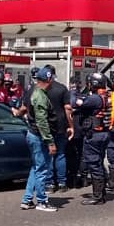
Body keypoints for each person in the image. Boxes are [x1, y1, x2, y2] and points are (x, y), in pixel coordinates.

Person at [20, 67, 58, 212]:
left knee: (36, 168)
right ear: (48, 80)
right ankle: (42, 201)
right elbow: (42, 121)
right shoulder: (40, 96)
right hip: (39, 136)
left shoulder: (35, 93)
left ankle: (27, 199)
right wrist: (50, 141)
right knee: (42, 170)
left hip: (33, 134)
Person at [78, 72, 112, 205]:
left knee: (94, 164)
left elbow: (77, 103)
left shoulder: (95, 99)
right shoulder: (105, 96)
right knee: (98, 163)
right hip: (103, 134)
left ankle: (98, 196)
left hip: (95, 135)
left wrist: (76, 94)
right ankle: (101, 192)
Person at [43, 64, 74, 193]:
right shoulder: (62, 89)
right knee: (60, 154)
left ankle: (50, 184)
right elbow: (68, 109)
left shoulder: (40, 88)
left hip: (46, 125)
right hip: (60, 125)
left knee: (49, 155)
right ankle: (62, 183)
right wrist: (71, 126)